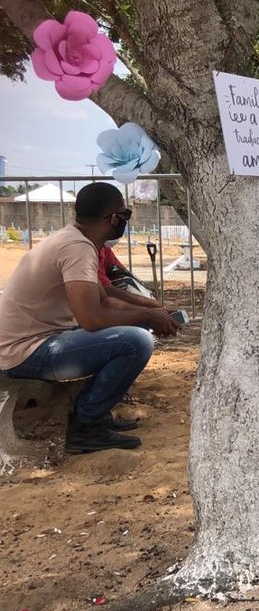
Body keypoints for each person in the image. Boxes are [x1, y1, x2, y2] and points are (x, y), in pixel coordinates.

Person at [0, 182, 181, 453]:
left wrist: (151, 311)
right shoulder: (77, 249)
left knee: (139, 326)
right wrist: (147, 316)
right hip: (23, 352)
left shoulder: (73, 239)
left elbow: (104, 297)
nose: (125, 221)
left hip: (34, 342)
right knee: (137, 342)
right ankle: (86, 424)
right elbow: (92, 319)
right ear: (113, 219)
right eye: (125, 214)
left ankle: (99, 413)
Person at [98, 241, 160, 309]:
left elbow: (122, 273)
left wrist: (145, 294)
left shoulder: (105, 250)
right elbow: (107, 290)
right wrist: (148, 303)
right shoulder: (89, 254)